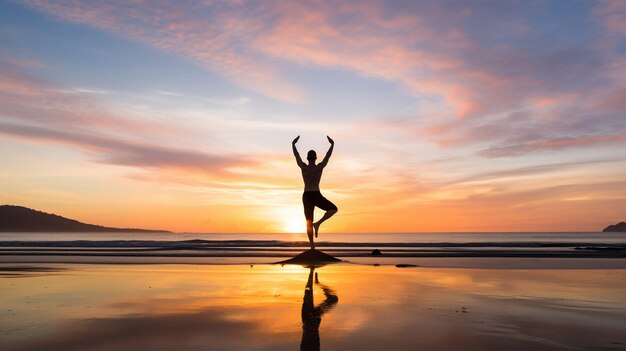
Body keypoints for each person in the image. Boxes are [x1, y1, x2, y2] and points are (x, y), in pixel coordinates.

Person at [292, 135, 338, 250]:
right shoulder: (319, 168)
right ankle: (318, 223)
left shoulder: (304, 167)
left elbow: (296, 156)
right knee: (333, 209)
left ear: (307, 158)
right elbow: (328, 156)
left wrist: (293, 144)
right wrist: (332, 144)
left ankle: (312, 246)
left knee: (308, 222)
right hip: (316, 194)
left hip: (307, 195)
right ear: (316, 158)